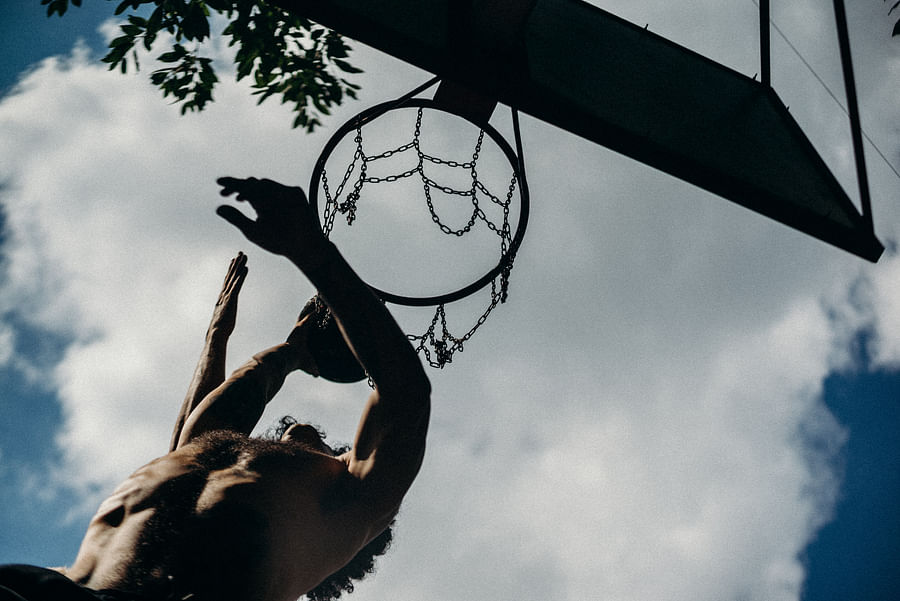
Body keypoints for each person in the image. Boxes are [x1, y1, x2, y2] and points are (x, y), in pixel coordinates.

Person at [0, 177, 431, 601]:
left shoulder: (353, 501)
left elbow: (405, 394)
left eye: (316, 437)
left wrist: (313, 253)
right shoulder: (214, 457)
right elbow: (202, 426)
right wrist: (239, 341)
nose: (291, 429)